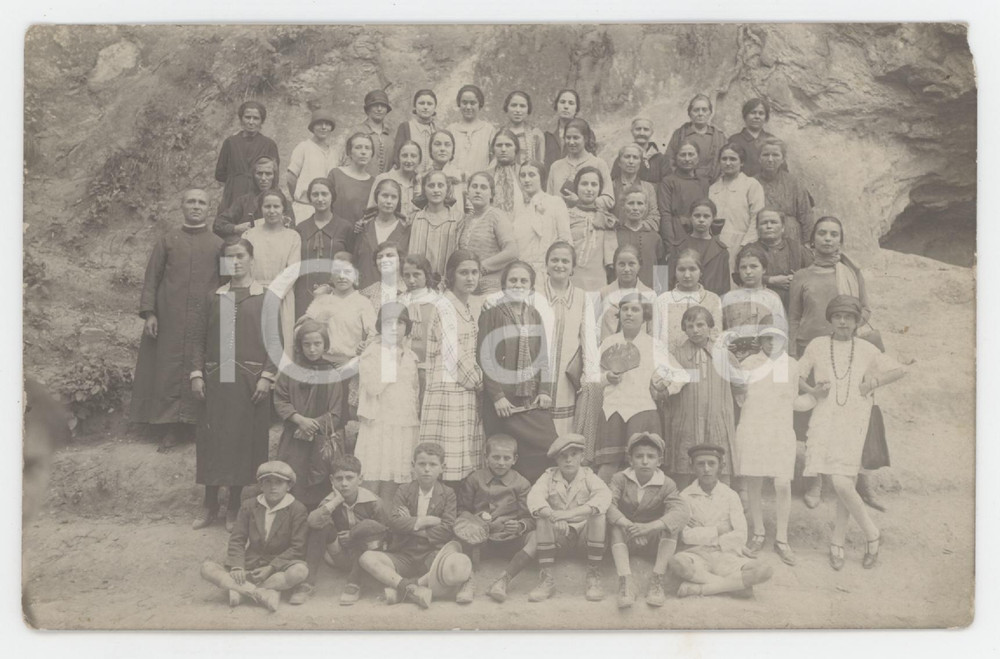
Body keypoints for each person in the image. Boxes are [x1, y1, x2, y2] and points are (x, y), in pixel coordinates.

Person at [799, 296, 906, 571]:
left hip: (856, 418)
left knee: (842, 481)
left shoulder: (868, 348)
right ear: (830, 319)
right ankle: (840, 541)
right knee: (842, 481)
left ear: (857, 321)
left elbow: (899, 369)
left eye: (849, 317)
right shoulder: (818, 345)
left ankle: (870, 533)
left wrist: (873, 382)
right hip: (826, 417)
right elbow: (796, 374)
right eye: (838, 317)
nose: (843, 322)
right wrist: (812, 391)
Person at [788, 216, 876, 508]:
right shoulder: (801, 276)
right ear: (812, 240)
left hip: (846, 351)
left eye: (834, 234)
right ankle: (816, 480)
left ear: (841, 240)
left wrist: (844, 331)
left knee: (852, 415)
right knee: (816, 416)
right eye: (822, 234)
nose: (828, 239)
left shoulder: (851, 271)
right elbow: (794, 317)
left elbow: (865, 309)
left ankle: (860, 479)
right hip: (811, 352)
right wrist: (793, 355)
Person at [190, 238, 276, 531]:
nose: (235, 262)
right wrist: (197, 374)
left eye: (241, 256)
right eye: (230, 257)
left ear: (251, 259)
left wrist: (266, 376)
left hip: (250, 381)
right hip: (218, 378)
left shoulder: (264, 296)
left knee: (241, 441)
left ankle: (235, 505)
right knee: (214, 440)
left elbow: (275, 343)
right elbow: (198, 339)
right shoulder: (216, 296)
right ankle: (210, 504)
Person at [131, 188, 222, 451]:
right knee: (167, 369)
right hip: (169, 319)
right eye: (191, 201)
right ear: (181, 206)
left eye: (201, 202)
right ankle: (169, 428)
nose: (196, 206)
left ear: (209, 208)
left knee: (201, 368)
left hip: (203, 320)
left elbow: (228, 282)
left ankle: (195, 425)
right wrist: (150, 313)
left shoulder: (219, 245)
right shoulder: (167, 241)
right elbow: (152, 279)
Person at [478, 261, 557, 482]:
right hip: (504, 402)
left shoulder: (534, 315)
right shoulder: (491, 314)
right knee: (507, 454)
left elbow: (543, 356)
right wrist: (498, 397)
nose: (518, 284)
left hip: (529, 396)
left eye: (524, 281)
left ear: (531, 287)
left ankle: (534, 499)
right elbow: (485, 357)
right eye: (513, 280)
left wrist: (545, 390)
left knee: (547, 446)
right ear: (504, 284)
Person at [358, 441, 457, 609]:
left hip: (431, 555)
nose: (427, 469)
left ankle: (404, 588)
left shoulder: (448, 493)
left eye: (433, 464)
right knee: (367, 558)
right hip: (403, 554)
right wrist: (427, 520)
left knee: (453, 565)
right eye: (422, 464)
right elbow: (394, 523)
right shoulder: (404, 490)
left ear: (442, 467)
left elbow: (446, 529)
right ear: (413, 465)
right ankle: (411, 589)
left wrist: (410, 522)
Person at [200, 461, 309, 612]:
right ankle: (261, 593)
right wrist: (238, 566)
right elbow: (237, 538)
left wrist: (271, 568)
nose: (273, 487)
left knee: (300, 571)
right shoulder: (249, 505)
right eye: (267, 482)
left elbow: (298, 547)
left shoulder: (297, 509)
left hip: (278, 567)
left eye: (279, 482)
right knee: (206, 568)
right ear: (261, 485)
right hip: (251, 563)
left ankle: (240, 590)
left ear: (289, 486)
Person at [668, 445, 773, 598]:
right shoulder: (685, 497)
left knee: (764, 570)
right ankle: (732, 586)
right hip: (697, 554)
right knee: (677, 563)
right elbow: (687, 536)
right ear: (692, 467)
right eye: (700, 464)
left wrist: (706, 533)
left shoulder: (730, 495)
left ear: (721, 467)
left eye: (711, 463)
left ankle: (702, 589)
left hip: (726, 554)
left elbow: (741, 535)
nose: (706, 469)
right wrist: (718, 530)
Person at [419, 250, 486, 483]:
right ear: (451, 275)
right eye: (463, 273)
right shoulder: (445, 305)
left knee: (463, 453)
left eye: (474, 272)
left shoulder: (466, 307)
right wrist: (479, 381)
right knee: (448, 455)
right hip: (448, 388)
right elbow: (452, 352)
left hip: (463, 387)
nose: (470, 278)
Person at [662, 306, 746, 489]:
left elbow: (740, 385)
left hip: (717, 418)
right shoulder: (676, 356)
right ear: (684, 329)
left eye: (701, 325)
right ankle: (685, 506)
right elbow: (666, 387)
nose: (696, 330)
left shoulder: (724, 355)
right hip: (687, 420)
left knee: (719, 464)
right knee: (684, 468)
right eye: (690, 326)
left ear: (710, 327)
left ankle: (724, 502)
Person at [736, 327, 798, 566]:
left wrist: (818, 395)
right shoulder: (749, 363)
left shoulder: (792, 365)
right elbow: (741, 396)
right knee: (754, 478)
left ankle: (782, 539)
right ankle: (758, 532)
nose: (772, 343)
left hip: (781, 430)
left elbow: (792, 399)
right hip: (754, 426)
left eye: (777, 338)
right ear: (760, 340)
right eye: (767, 338)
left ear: (785, 340)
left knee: (782, 482)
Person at [524, 434, 611, 602]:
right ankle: (546, 578)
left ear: (581, 457)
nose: (568, 460)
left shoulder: (589, 476)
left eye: (574, 455)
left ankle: (593, 575)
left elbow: (603, 497)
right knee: (541, 516)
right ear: (556, 459)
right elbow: (534, 498)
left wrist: (569, 514)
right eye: (563, 456)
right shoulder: (548, 476)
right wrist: (553, 516)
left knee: (598, 514)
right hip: (559, 537)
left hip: (585, 539)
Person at [607, 432, 689, 608]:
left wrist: (650, 527)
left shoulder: (667, 483)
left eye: (650, 457)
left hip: (652, 539)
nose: (645, 461)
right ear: (631, 460)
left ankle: (657, 580)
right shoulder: (620, 479)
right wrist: (631, 527)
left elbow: (681, 512)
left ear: (659, 461)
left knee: (671, 527)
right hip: (627, 536)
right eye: (639, 456)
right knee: (614, 527)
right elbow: (608, 506)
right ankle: (626, 582)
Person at [594, 293, 669, 483]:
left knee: (641, 464)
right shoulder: (609, 343)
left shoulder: (654, 345)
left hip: (643, 410)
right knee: (608, 465)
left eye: (635, 309)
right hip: (613, 409)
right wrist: (606, 377)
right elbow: (591, 377)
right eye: (625, 309)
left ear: (645, 315)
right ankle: (602, 505)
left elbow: (677, 375)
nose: (629, 313)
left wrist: (662, 386)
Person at [455, 434, 535, 604]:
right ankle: (466, 582)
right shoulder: (475, 479)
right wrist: (475, 521)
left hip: (510, 539)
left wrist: (520, 526)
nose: (501, 462)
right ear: (486, 458)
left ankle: (503, 580)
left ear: (515, 459)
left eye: (507, 458)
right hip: (480, 540)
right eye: (496, 457)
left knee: (537, 537)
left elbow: (530, 517)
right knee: (457, 537)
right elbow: (462, 510)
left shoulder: (522, 483)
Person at [273, 319, 343, 513]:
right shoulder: (290, 372)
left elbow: (336, 412)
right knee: (293, 476)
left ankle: (317, 519)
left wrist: (313, 425)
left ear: (325, 345)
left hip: (321, 440)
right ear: (299, 346)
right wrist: (299, 420)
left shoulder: (332, 374)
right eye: (307, 344)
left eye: (317, 344)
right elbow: (280, 400)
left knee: (319, 480)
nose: (312, 349)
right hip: (294, 437)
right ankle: (292, 518)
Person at [356, 302, 422, 504]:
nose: (394, 328)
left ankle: (391, 524)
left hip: (403, 424)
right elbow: (374, 387)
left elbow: (413, 391)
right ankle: (372, 524)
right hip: (379, 424)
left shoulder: (411, 356)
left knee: (396, 479)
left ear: (407, 327)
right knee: (374, 475)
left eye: (400, 323)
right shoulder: (372, 352)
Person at [305, 455, 390, 605]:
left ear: (360, 479)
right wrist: (336, 501)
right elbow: (312, 522)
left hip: (366, 557)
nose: (344, 484)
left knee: (367, 526)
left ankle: (354, 583)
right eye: (339, 479)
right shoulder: (329, 501)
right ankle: (308, 581)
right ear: (332, 480)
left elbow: (385, 529)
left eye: (349, 478)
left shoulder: (374, 502)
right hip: (338, 555)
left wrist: (353, 534)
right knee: (320, 526)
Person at [538, 242, 590, 437]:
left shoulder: (582, 298)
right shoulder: (535, 293)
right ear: (547, 265)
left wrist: (587, 375)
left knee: (564, 430)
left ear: (573, 268)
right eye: (555, 260)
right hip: (538, 373)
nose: (559, 265)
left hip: (567, 376)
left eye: (565, 261)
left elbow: (588, 340)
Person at [244, 189, 300, 357]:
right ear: (260, 208)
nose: (272, 211)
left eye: (276, 206)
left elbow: (292, 271)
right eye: (267, 206)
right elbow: (243, 266)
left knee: (281, 346)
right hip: (253, 296)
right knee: (254, 343)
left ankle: (279, 382)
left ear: (283, 209)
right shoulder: (249, 235)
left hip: (281, 298)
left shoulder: (292, 236)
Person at [305, 252, 376, 371]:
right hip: (319, 364)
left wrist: (358, 356)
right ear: (331, 276)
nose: (342, 277)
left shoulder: (363, 303)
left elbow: (375, 335)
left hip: (349, 365)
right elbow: (306, 329)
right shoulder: (322, 300)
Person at [293, 178, 353, 319]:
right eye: (315, 194)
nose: (320, 199)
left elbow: (352, 264)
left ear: (332, 196)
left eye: (324, 194)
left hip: (336, 295)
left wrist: (331, 286)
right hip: (303, 296)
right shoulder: (301, 228)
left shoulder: (345, 227)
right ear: (310, 198)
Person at [455, 172, 519, 295]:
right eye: (474, 187)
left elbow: (512, 251)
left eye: (483, 187)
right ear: (468, 192)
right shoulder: (466, 219)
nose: (478, 191)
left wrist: (480, 267)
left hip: (492, 287)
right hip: (470, 287)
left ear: (491, 194)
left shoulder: (497, 216)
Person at [722, 244, 787, 362]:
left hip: (764, 359)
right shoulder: (729, 298)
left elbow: (779, 331)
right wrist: (727, 343)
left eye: (753, 266)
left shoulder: (772, 298)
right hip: (734, 358)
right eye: (743, 267)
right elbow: (722, 328)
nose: (748, 271)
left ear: (764, 269)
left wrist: (763, 345)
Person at [653, 248, 723, 357]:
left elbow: (716, 338)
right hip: (669, 364)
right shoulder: (662, 300)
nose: (686, 275)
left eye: (692, 269)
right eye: (681, 269)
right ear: (675, 272)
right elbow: (654, 339)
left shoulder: (712, 299)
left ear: (701, 272)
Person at [709, 143, 766, 274]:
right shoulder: (713, 188)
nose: (728, 163)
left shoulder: (751, 185)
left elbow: (756, 217)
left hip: (742, 243)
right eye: (724, 159)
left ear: (742, 163)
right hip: (718, 244)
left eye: (733, 159)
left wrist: (746, 245)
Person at [214, 100, 279, 212]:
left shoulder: (269, 144)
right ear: (241, 119)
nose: (251, 122)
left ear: (261, 121)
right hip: (233, 194)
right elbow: (220, 174)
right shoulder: (230, 143)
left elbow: (274, 176)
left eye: (256, 118)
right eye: (247, 117)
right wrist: (236, 180)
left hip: (258, 195)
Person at [510, 159, 571, 276]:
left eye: (532, 175)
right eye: (523, 176)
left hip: (549, 270)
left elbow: (565, 238)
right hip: (522, 271)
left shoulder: (555, 202)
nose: (526, 180)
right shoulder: (516, 207)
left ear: (542, 178)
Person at [749, 208, 813, 313]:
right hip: (760, 306)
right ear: (757, 228)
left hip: (794, 307)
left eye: (773, 222)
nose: (769, 226)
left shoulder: (797, 249)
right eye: (764, 223)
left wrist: (799, 278)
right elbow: (739, 277)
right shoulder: (750, 250)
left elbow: (814, 272)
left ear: (783, 227)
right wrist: (770, 280)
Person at [352, 179, 411, 290]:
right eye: (384, 196)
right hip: (365, 290)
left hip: (395, 292)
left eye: (394, 197)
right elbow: (356, 260)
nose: (389, 201)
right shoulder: (364, 227)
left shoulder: (406, 229)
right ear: (376, 197)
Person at [565, 166, 618, 291]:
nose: (589, 189)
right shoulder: (566, 215)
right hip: (571, 278)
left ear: (600, 189)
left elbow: (611, 258)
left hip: (597, 280)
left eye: (594, 185)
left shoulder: (606, 219)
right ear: (576, 187)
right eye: (584, 184)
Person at [546, 118, 614, 212]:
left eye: (576, 138)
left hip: (589, 222)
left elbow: (609, 199)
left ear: (585, 139)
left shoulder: (599, 164)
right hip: (560, 222)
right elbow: (549, 199)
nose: (571, 142)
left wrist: (580, 203)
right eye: (568, 137)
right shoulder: (556, 166)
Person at [214, 156, 292, 238]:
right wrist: (236, 228)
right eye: (259, 173)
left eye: (268, 174)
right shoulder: (243, 201)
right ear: (253, 176)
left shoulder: (285, 203)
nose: (263, 178)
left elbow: (291, 231)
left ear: (275, 176)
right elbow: (218, 223)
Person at [755, 138, 814, 245]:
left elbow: (806, 215)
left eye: (776, 155)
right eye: (765, 155)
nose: (770, 159)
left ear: (783, 159)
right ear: (759, 158)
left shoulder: (794, 182)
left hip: (791, 238)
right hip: (761, 239)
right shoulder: (751, 183)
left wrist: (807, 243)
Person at [399, 254, 439, 405]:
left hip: (429, 365)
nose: (411, 280)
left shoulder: (438, 301)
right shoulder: (399, 301)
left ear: (426, 275)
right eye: (406, 275)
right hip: (403, 365)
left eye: (416, 275)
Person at [668, 199, 730, 297]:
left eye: (706, 216)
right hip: (681, 300)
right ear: (690, 217)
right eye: (697, 215)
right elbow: (664, 280)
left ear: (713, 218)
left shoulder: (721, 251)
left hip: (711, 303)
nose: (701, 219)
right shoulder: (677, 247)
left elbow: (725, 287)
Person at [286, 109, 340, 223]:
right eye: (319, 123)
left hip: (326, 208)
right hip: (305, 207)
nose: (324, 127)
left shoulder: (334, 153)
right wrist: (298, 198)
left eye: (327, 124)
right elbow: (291, 178)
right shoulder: (304, 147)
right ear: (312, 127)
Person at [408, 170, 462, 280]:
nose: (436, 190)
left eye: (440, 185)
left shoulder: (458, 219)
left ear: (447, 189)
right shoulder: (415, 218)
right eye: (431, 186)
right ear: (424, 189)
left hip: (447, 282)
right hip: (419, 282)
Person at [658, 140, 711, 249]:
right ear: (676, 158)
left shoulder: (704, 182)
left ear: (698, 157)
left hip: (700, 233)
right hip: (677, 235)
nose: (687, 159)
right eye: (683, 155)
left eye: (691, 154)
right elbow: (665, 214)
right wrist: (670, 244)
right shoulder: (668, 181)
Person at [663, 94, 727, 183]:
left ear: (710, 113)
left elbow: (725, 161)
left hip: (714, 185)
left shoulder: (720, 137)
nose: (700, 113)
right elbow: (669, 160)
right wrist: (682, 180)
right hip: (684, 184)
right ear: (689, 113)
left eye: (704, 110)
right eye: (696, 110)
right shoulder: (679, 135)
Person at [597, 243, 653, 342]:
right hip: (608, 351)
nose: (626, 269)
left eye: (631, 264)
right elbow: (595, 328)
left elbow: (652, 332)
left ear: (640, 265)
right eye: (621, 264)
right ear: (614, 266)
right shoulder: (604, 293)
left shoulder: (649, 295)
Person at [614, 186, 664, 290]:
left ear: (646, 207)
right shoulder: (615, 235)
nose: (635, 208)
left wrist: (661, 294)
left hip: (648, 293)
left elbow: (661, 269)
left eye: (640, 203)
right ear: (623, 206)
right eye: (631, 203)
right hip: (620, 293)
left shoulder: (654, 237)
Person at [341, 89, 394, 178]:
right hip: (360, 183)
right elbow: (346, 160)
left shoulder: (391, 134)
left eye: (383, 106)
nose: (379, 109)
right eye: (375, 106)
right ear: (368, 109)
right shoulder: (356, 131)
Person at [612, 144, 661, 238]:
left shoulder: (648, 188)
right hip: (615, 236)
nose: (631, 161)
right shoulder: (611, 186)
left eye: (635, 157)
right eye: (627, 157)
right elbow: (603, 213)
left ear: (640, 162)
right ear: (619, 162)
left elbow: (654, 216)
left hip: (641, 236)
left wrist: (635, 226)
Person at [448, 84, 496, 178]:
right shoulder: (450, 129)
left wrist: (484, 178)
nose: (468, 107)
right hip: (455, 183)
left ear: (480, 104)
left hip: (480, 185)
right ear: (459, 104)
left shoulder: (489, 130)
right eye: (464, 103)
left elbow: (495, 159)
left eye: (473, 103)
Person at [368, 140, 424, 220]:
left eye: (413, 156)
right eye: (404, 156)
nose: (408, 160)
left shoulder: (421, 182)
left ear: (419, 160)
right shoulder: (383, 179)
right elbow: (371, 212)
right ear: (398, 157)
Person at [329, 132, 376, 226]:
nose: (363, 152)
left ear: (371, 153)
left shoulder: (374, 182)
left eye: (367, 148)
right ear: (349, 152)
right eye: (358, 147)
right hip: (336, 233)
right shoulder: (336, 174)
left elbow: (373, 215)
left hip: (361, 236)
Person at [727, 97, 781, 178]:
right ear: (745, 116)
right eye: (753, 112)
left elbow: (782, 168)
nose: (757, 116)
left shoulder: (772, 140)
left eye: (761, 113)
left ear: (766, 118)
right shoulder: (735, 140)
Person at [390, 89, 438, 176]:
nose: (425, 107)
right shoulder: (405, 127)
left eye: (429, 104)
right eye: (421, 103)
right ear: (415, 106)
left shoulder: (436, 131)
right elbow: (397, 158)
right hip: (410, 178)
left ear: (434, 108)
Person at [425, 128, 468, 220]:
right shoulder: (423, 177)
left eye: (447, 145)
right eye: (437, 144)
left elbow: (469, 208)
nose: (442, 149)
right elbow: (418, 209)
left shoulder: (461, 176)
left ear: (453, 150)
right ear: (430, 149)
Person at [610, 117, 665, 183]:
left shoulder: (661, 159)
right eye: (638, 129)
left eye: (646, 129)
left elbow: (666, 186)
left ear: (652, 132)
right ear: (632, 131)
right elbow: (614, 183)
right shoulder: (623, 158)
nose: (641, 133)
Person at [359, 241, 407, 310]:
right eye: (379, 257)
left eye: (390, 255)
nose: (384, 260)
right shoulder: (367, 293)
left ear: (400, 259)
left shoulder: (410, 289)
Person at [501, 90, 545, 165]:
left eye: (522, 106)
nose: (518, 110)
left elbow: (540, 164)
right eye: (514, 105)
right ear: (507, 107)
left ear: (528, 109)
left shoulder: (536, 134)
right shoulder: (499, 133)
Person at [543, 88, 582, 172]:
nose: (566, 106)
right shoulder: (547, 135)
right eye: (562, 102)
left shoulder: (585, 134)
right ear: (556, 106)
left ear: (576, 109)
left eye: (571, 103)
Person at [486, 128, 524, 214]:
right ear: (493, 149)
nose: (503, 149)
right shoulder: (487, 175)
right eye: (499, 145)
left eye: (508, 145)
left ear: (516, 148)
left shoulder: (524, 173)